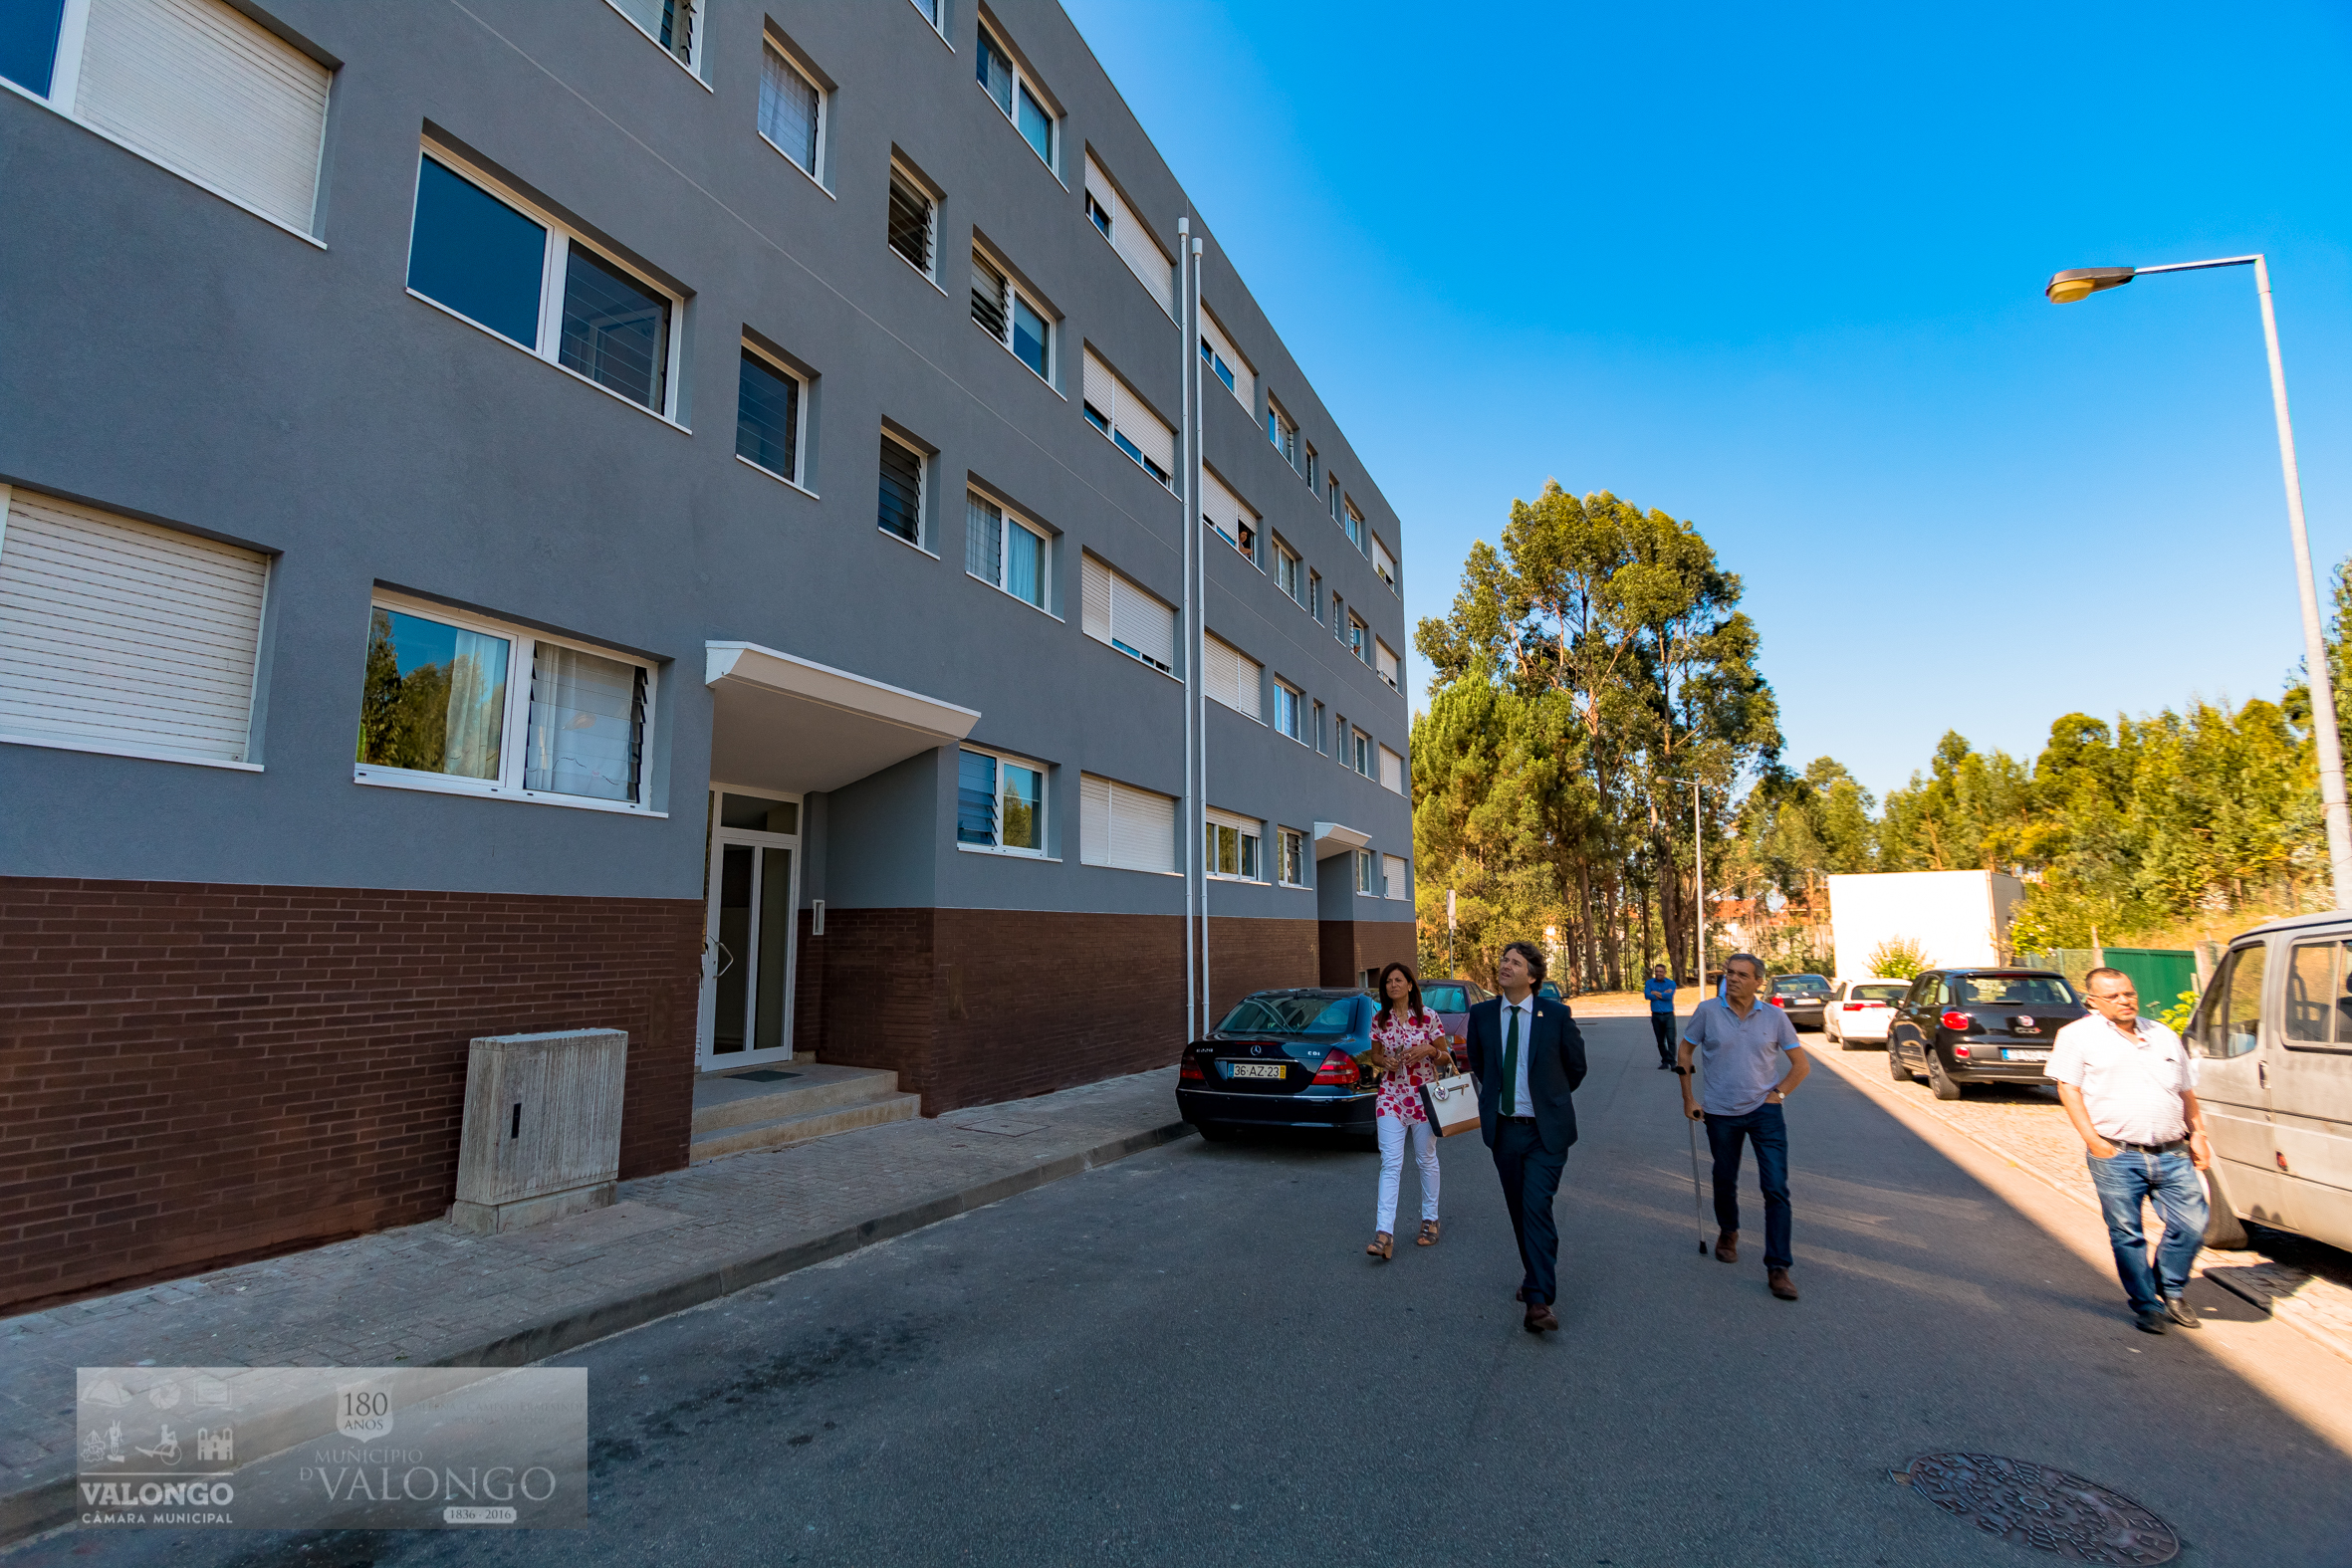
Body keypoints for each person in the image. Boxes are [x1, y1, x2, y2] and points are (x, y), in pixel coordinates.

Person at [2047, 967, 2213, 1335]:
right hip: (2117, 1154)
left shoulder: (2163, 1034)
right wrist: (2094, 1141)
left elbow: (2186, 1090)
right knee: (2127, 1232)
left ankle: (2170, 1288)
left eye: (2129, 993)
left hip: (2172, 1152)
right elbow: (2068, 1089)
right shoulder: (2076, 1036)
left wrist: (2198, 1134)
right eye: (2113, 996)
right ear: (2092, 1001)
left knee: (2192, 1224)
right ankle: (2146, 1304)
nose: (2124, 1001)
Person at [1464, 941, 1587, 1332]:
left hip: (1545, 1133)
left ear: (1532, 976)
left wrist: (1550, 1096)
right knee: (1520, 1210)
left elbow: (1576, 1067)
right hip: (1504, 1131)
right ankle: (1535, 1273)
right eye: (1504, 959)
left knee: (1536, 1206)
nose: (1505, 965)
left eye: (1515, 962)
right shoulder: (1482, 1014)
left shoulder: (1556, 1015)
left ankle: (1538, 1299)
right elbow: (1480, 1064)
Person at [1678, 952, 1808, 1301]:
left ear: (1758, 982)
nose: (1732, 979)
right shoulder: (1707, 1012)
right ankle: (1728, 1231)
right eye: (1729, 973)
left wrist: (1778, 1094)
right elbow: (1685, 1052)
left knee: (1776, 1187)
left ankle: (1778, 1267)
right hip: (1720, 1112)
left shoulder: (1776, 1017)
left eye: (1741, 975)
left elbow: (1801, 1065)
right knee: (1724, 1177)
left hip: (1765, 1112)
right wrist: (1689, 1099)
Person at [1365, 963, 1450, 1260]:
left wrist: (1428, 1050)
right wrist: (1384, 1062)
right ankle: (1383, 1233)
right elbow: (1375, 1055)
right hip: (1391, 1097)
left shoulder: (1428, 1017)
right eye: (1388, 981)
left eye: (1398, 980)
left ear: (1410, 985)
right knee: (1390, 1163)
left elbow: (1445, 1056)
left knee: (1425, 1158)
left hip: (1423, 1097)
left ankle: (1430, 1219)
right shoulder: (1380, 1019)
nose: (1393, 985)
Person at [1644, 964, 1679, 1069]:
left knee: (1671, 1039)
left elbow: (1669, 996)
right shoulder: (1649, 982)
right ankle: (1665, 1061)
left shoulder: (1671, 983)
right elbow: (1647, 995)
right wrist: (1663, 994)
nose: (1658, 973)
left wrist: (1655, 993)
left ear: (1665, 972)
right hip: (1656, 1015)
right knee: (1660, 1041)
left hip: (1668, 1015)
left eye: (1660, 971)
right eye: (1657, 971)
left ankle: (1672, 1062)